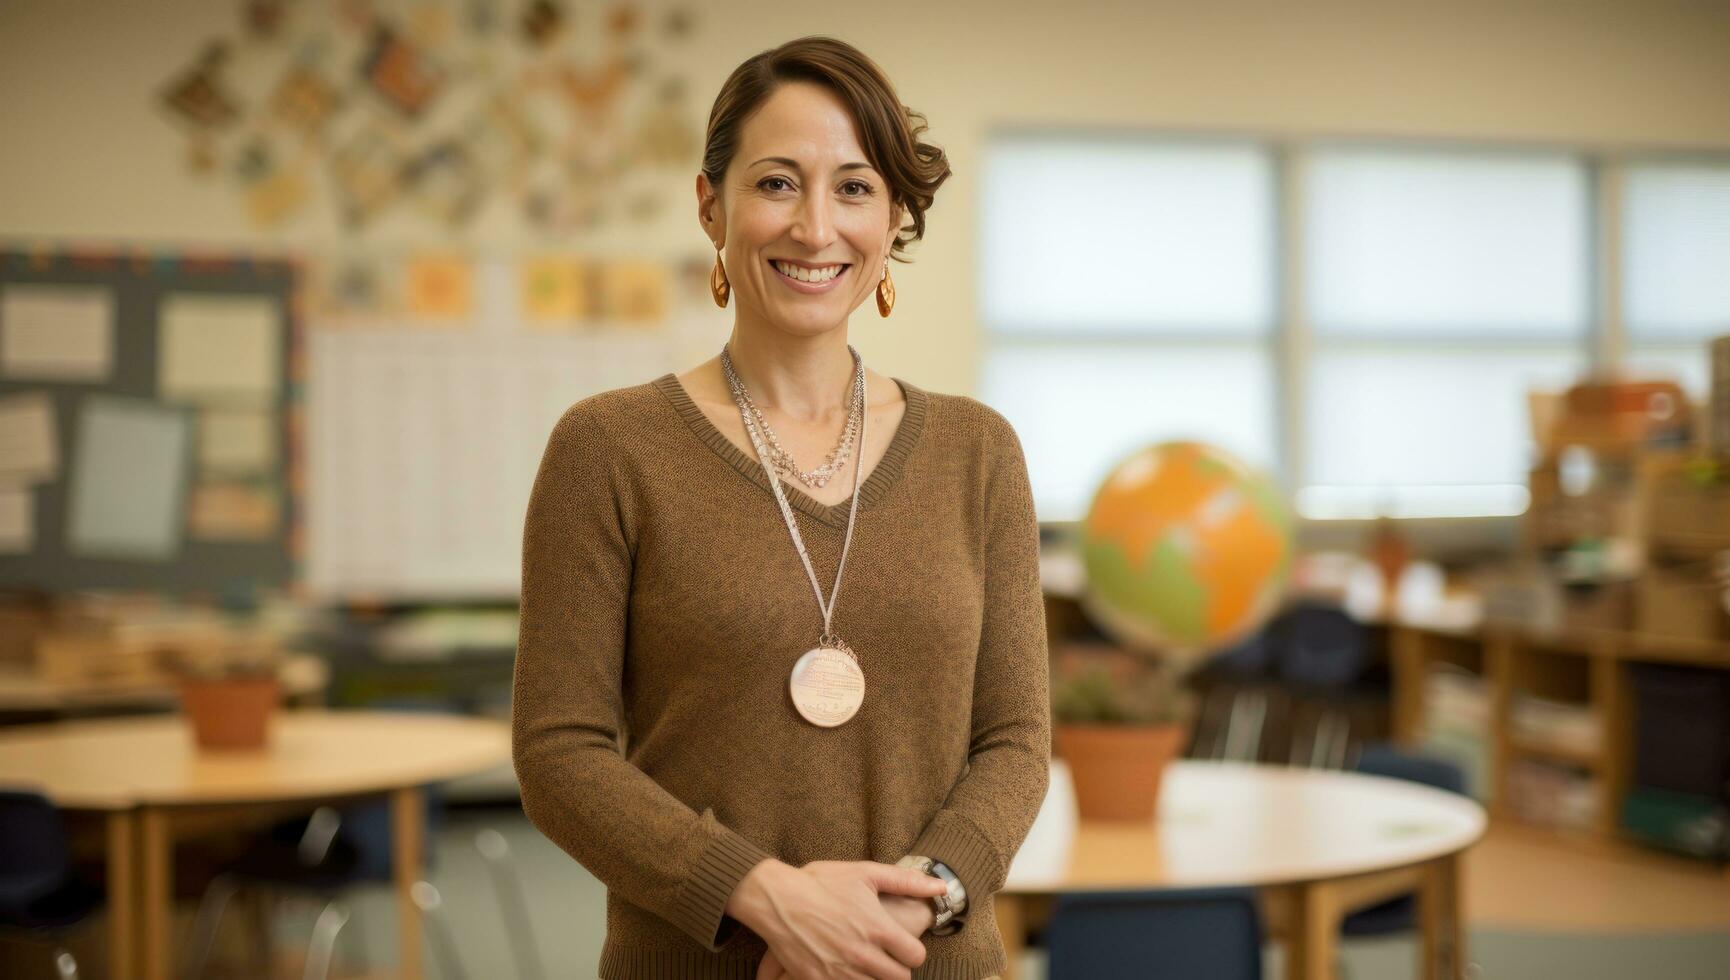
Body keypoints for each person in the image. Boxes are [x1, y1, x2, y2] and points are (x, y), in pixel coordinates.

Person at [512, 35, 1050, 980]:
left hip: (927, 962)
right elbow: (561, 754)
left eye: (853, 187)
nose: (815, 228)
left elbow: (1014, 742)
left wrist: (912, 900)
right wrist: (763, 895)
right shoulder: (609, 448)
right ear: (711, 205)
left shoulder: (979, 451)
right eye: (776, 183)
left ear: (891, 219)